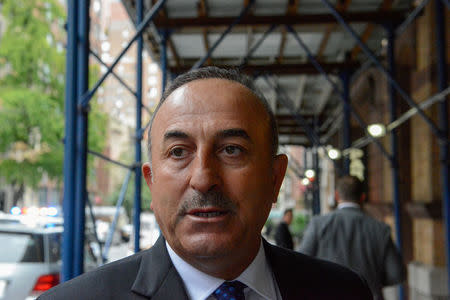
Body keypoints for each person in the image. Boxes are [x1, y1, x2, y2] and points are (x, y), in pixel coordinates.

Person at [40, 67, 372, 300]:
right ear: (151, 183)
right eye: (178, 151)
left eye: (232, 150)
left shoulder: (344, 291)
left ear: (275, 178)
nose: (203, 179)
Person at [299, 175, 406, 300]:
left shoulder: (318, 224)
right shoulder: (380, 229)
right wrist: (373, 279)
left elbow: (300, 265)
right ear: (362, 197)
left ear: (337, 196)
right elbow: (397, 274)